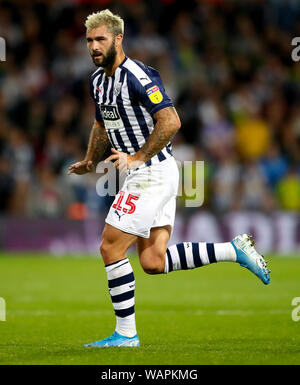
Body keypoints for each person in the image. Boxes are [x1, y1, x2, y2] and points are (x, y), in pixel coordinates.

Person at [68, 9, 270, 348]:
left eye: (101, 38)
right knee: (152, 261)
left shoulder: (138, 76)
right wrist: (91, 160)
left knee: (110, 245)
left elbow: (171, 121)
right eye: (89, 40)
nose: (94, 46)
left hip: (151, 172)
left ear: (119, 39)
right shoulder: (97, 81)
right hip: (146, 173)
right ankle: (234, 250)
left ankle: (126, 334)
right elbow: (102, 123)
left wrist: (137, 157)